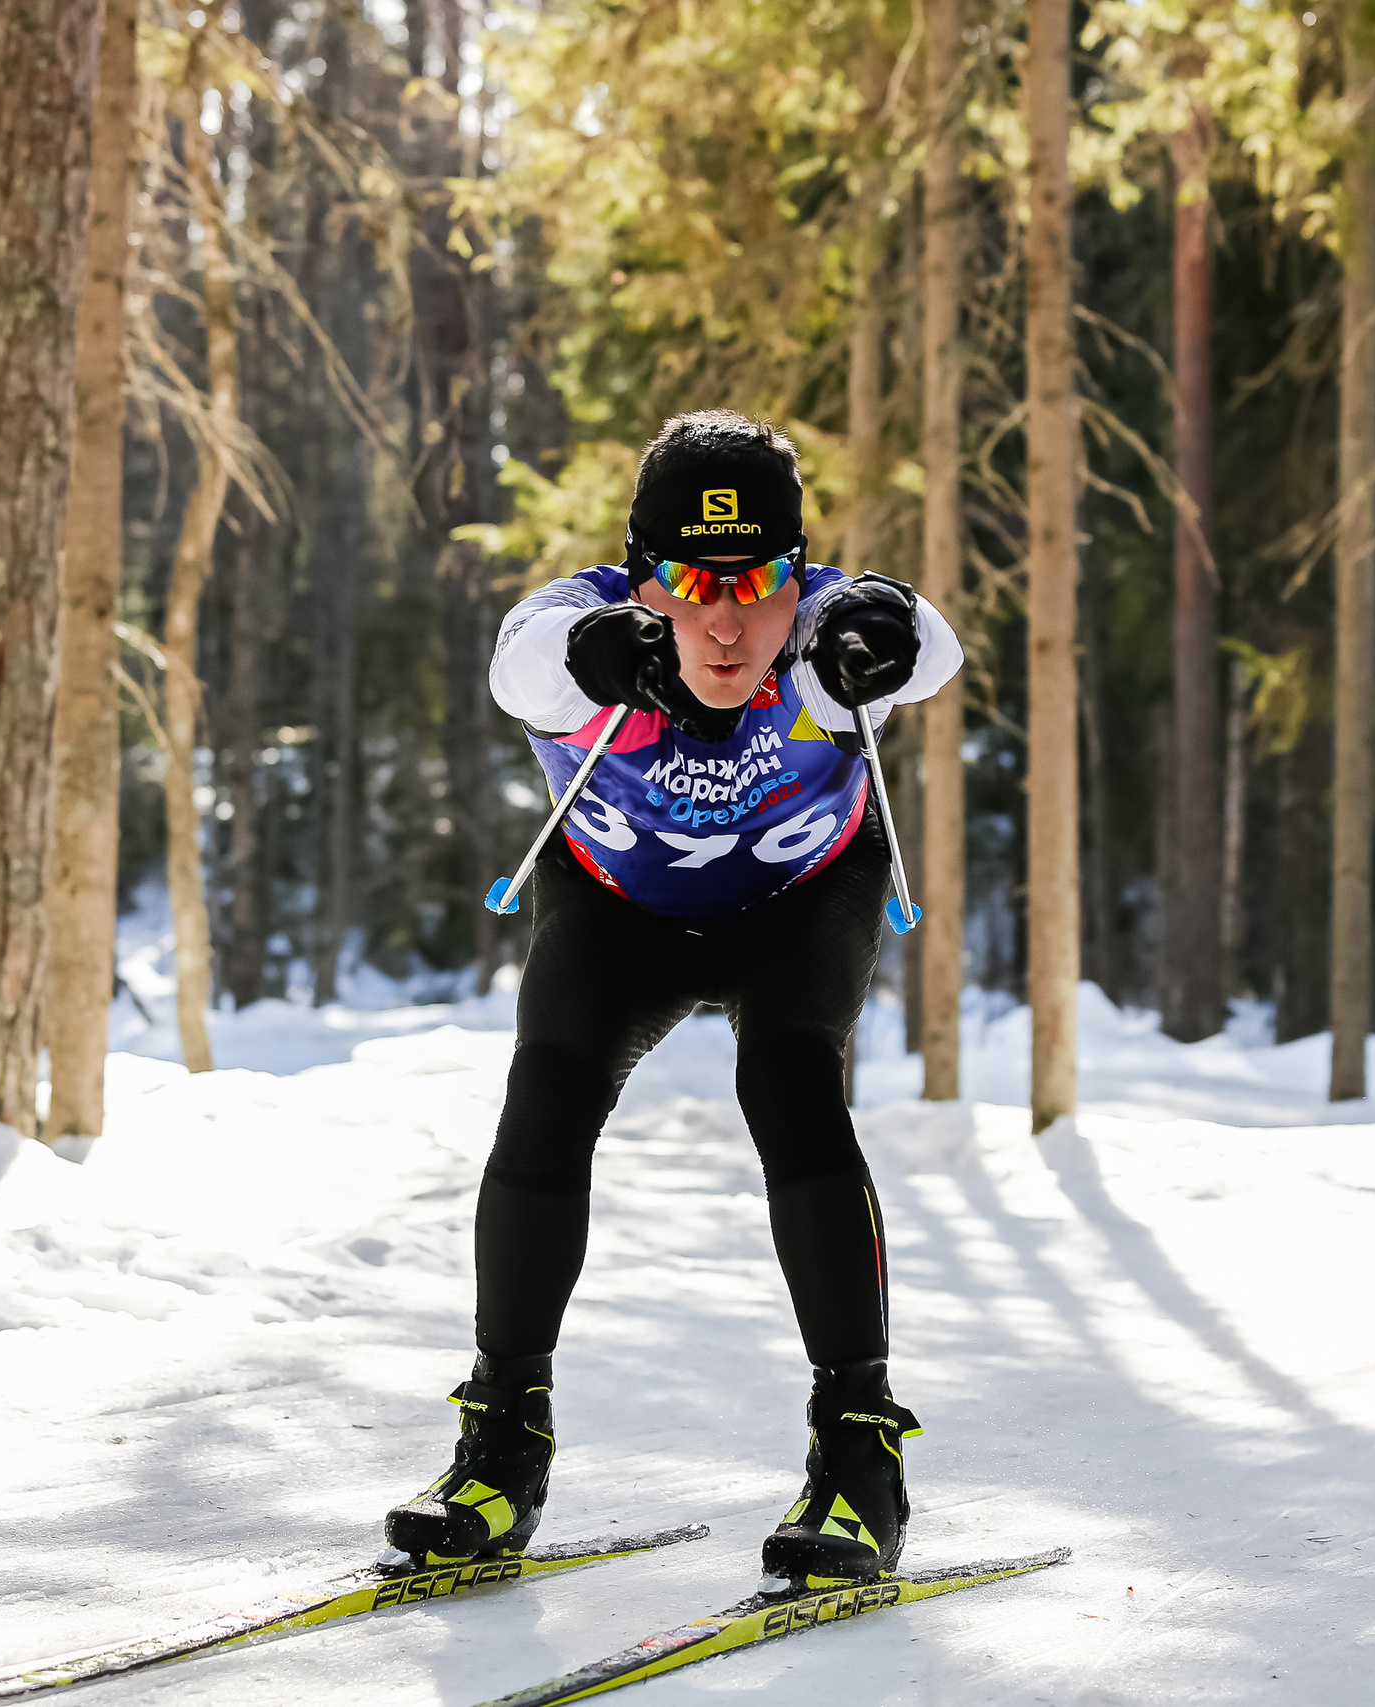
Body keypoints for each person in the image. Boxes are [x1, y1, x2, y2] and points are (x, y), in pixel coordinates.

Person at [383, 409, 963, 1592]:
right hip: (619, 911)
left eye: (756, 582)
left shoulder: (820, 632)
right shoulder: (573, 629)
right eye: (690, 583)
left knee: (789, 1084)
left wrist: (881, 628)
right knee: (544, 1098)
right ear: (641, 576)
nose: (725, 617)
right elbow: (526, 665)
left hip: (798, 904)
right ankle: (501, 1444)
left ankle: (859, 1455)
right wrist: (610, 654)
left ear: (793, 575)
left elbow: (928, 642)